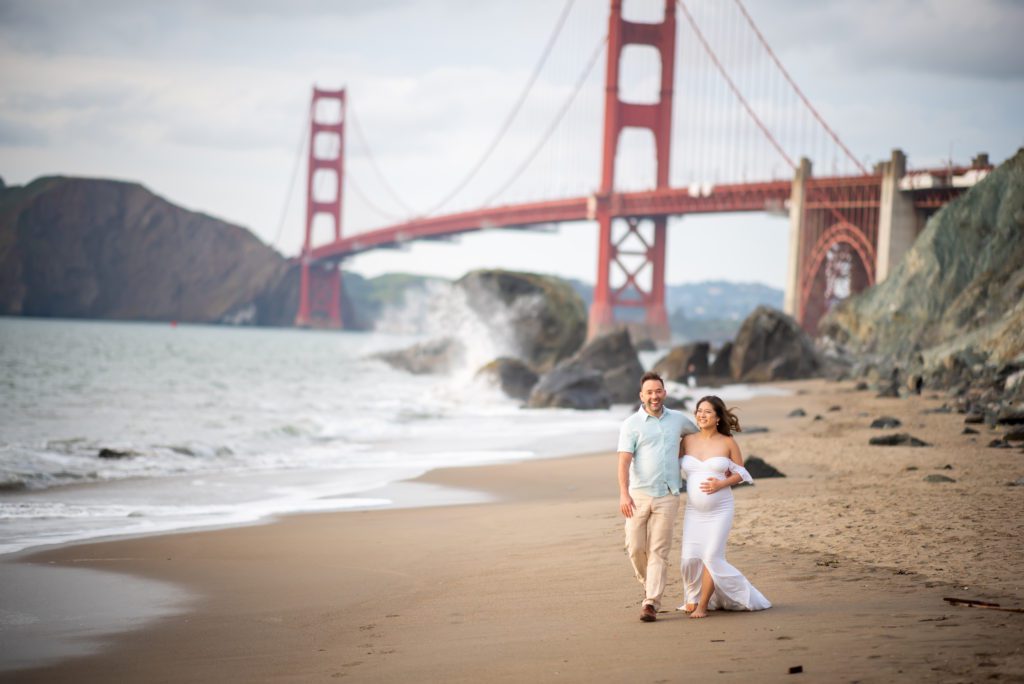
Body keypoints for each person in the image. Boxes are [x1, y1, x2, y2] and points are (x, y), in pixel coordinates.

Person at [679, 395, 770, 618]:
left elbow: (742, 472)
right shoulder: (687, 440)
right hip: (694, 511)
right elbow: (669, 464)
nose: (701, 415)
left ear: (718, 417)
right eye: (699, 410)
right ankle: (691, 597)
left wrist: (722, 482)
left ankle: (702, 605)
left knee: (711, 556)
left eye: (708, 411)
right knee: (689, 558)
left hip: (720, 510)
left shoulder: (727, 442)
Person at [617, 371, 698, 622]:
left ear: (665, 392)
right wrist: (623, 494)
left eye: (658, 391)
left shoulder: (678, 420)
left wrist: (684, 450)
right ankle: (648, 582)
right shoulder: (631, 424)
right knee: (635, 547)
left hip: (669, 494)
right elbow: (624, 461)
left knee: (659, 550)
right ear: (642, 396)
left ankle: (651, 602)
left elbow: (696, 436)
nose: (654, 396)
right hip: (638, 495)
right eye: (649, 392)